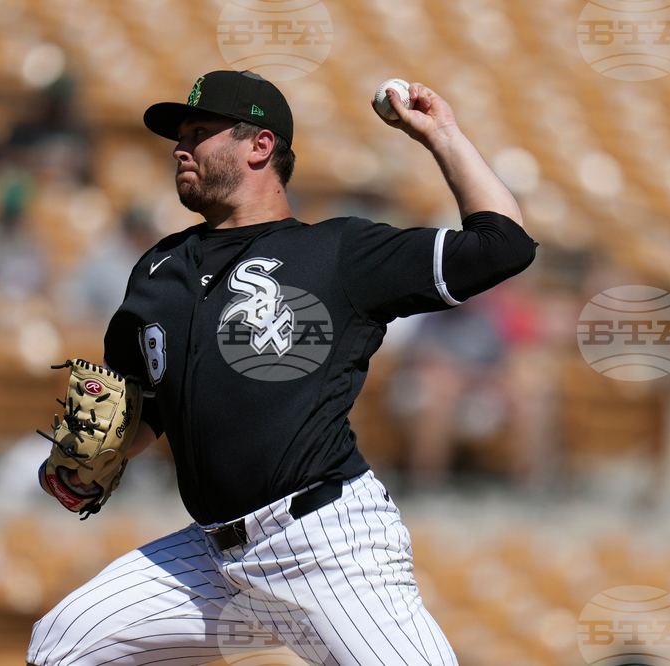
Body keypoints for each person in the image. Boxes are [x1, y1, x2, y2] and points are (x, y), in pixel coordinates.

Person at [27, 70, 536, 666]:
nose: (179, 147)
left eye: (198, 131)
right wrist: (89, 464)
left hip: (325, 545)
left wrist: (442, 135)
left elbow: (505, 244)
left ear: (259, 146)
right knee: (64, 640)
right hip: (214, 561)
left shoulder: (337, 253)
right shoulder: (158, 271)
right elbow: (146, 411)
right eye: (180, 135)